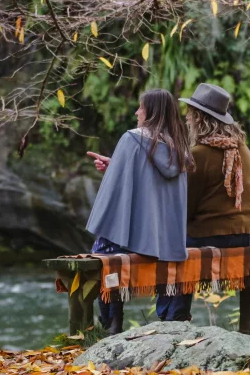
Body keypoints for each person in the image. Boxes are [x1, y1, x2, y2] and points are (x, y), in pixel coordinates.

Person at [84, 89, 194, 334]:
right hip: (167, 245)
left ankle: (112, 324)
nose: (136, 112)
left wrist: (115, 170)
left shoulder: (132, 139)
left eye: (140, 107)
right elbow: (153, 183)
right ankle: (170, 320)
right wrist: (118, 164)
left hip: (134, 244)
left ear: (151, 112)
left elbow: (114, 195)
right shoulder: (180, 148)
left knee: (101, 251)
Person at [155, 83, 250, 322]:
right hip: (246, 233)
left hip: (214, 234)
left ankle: (172, 317)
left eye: (191, 114)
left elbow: (184, 209)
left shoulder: (200, 154)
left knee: (169, 245)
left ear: (200, 118)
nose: (187, 119)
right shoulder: (243, 150)